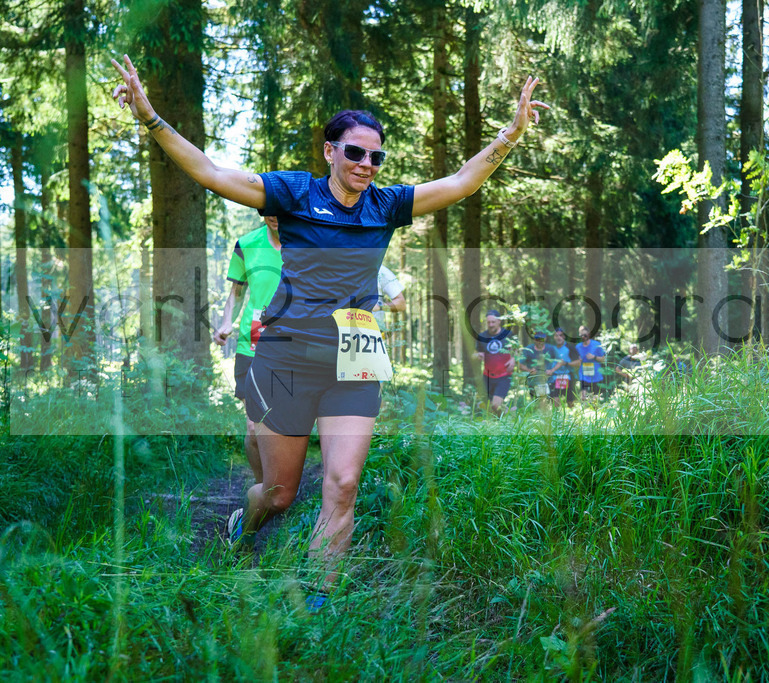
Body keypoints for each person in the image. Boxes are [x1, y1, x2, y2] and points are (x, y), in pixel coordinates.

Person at [111, 55, 548, 607]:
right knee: (278, 493)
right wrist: (151, 118)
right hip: (287, 357)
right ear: (330, 151)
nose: (367, 164)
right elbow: (212, 173)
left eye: (376, 155)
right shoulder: (294, 195)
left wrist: (509, 136)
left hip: (355, 358)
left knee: (342, 485)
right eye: (355, 152)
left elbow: (461, 181)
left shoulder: (387, 205)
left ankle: (318, 605)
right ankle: (242, 529)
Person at [212, 215, 283, 487]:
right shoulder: (247, 244)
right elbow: (237, 292)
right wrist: (226, 321)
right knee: (255, 429)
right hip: (252, 344)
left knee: (282, 426)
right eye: (268, 210)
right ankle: (262, 489)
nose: (275, 216)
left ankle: (283, 489)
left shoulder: (305, 241)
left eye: (280, 209)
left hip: (293, 345)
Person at [474, 310, 515, 413]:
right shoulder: (482, 336)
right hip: (487, 376)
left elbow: (518, 350)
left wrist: (513, 359)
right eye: (488, 322)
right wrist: (477, 355)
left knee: (496, 405)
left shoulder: (508, 335)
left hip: (504, 376)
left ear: (499, 321)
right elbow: (475, 353)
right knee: (484, 407)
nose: (491, 325)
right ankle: (505, 416)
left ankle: (506, 416)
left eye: (493, 322)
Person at [519, 330, 561, 401]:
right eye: (537, 339)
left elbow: (560, 361)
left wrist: (552, 370)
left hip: (549, 380)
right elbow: (520, 364)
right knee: (539, 402)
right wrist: (529, 370)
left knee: (555, 400)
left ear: (545, 339)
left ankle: (555, 412)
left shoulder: (551, 348)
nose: (539, 341)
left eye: (541, 339)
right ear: (534, 339)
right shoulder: (528, 349)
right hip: (534, 382)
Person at [549, 327, 580, 406]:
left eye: (561, 335)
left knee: (570, 402)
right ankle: (556, 417)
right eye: (556, 335)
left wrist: (566, 363)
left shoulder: (570, 348)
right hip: (555, 378)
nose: (559, 337)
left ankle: (573, 416)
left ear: (564, 337)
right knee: (555, 400)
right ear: (554, 337)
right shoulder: (552, 349)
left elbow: (578, 362)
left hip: (568, 377)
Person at [575, 325, 607, 399]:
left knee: (595, 398)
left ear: (589, 334)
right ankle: (584, 410)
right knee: (583, 397)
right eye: (581, 335)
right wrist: (578, 361)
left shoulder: (596, 345)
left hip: (596, 374)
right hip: (584, 374)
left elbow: (603, 359)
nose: (583, 337)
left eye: (585, 335)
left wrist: (594, 357)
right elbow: (576, 361)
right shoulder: (578, 347)